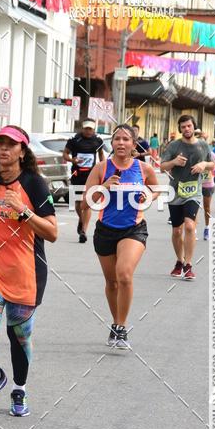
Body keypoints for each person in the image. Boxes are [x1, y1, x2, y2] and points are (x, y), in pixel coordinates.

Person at [0, 125, 58, 416]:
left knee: (19, 336)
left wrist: (24, 210)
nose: (4, 148)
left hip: (25, 271)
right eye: (0, 143)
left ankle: (19, 389)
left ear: (22, 151)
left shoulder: (34, 184)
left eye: (11, 144)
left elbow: (52, 232)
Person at [79, 124, 159, 348]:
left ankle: (122, 327)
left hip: (134, 229)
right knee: (112, 282)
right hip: (105, 230)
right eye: (117, 139)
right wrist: (103, 187)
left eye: (126, 139)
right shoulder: (101, 168)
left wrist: (148, 196)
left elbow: (155, 189)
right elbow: (85, 203)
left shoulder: (143, 169)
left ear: (134, 144)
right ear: (112, 143)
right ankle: (116, 323)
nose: (121, 143)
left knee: (123, 275)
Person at [160, 114, 214, 280]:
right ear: (180, 129)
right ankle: (179, 261)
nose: (186, 129)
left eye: (189, 126)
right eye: (183, 127)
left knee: (190, 226)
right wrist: (174, 162)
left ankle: (188, 265)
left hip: (193, 192)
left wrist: (204, 164)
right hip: (176, 191)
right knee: (177, 230)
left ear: (194, 127)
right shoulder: (174, 146)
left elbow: (212, 164)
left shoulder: (203, 145)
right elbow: (162, 167)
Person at [63, 120, 105, 244]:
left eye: (90, 129)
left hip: (91, 175)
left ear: (94, 129)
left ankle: (84, 231)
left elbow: (101, 156)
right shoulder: (74, 140)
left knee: (88, 202)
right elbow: (65, 154)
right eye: (86, 128)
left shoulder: (98, 141)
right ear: (82, 128)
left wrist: (103, 168)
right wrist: (73, 160)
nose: (88, 131)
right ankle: (81, 220)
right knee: (78, 203)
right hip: (77, 174)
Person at [196, 130, 215, 241]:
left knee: (206, 207)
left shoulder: (210, 154)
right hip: (195, 184)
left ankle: (207, 228)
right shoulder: (193, 154)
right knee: (194, 207)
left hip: (208, 183)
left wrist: (210, 168)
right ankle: (193, 230)